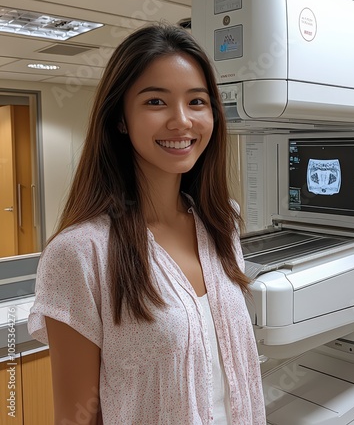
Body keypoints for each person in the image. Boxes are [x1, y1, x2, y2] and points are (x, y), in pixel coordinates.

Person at [28, 23, 266, 424]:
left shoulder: (222, 222)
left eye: (197, 102)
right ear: (121, 118)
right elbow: (76, 419)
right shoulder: (80, 254)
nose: (182, 121)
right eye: (156, 101)